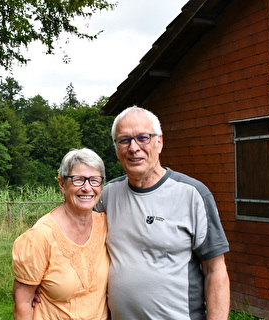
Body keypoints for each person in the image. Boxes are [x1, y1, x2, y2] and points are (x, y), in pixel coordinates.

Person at [96, 106, 230, 320]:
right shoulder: (106, 196)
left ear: (159, 142)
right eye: (124, 140)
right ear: (116, 148)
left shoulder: (192, 194)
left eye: (142, 138)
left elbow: (215, 270)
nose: (133, 148)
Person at [12, 148, 110, 319]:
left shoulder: (106, 225)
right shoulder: (40, 236)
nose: (87, 188)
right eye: (78, 180)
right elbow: (23, 302)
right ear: (62, 184)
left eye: (94, 180)